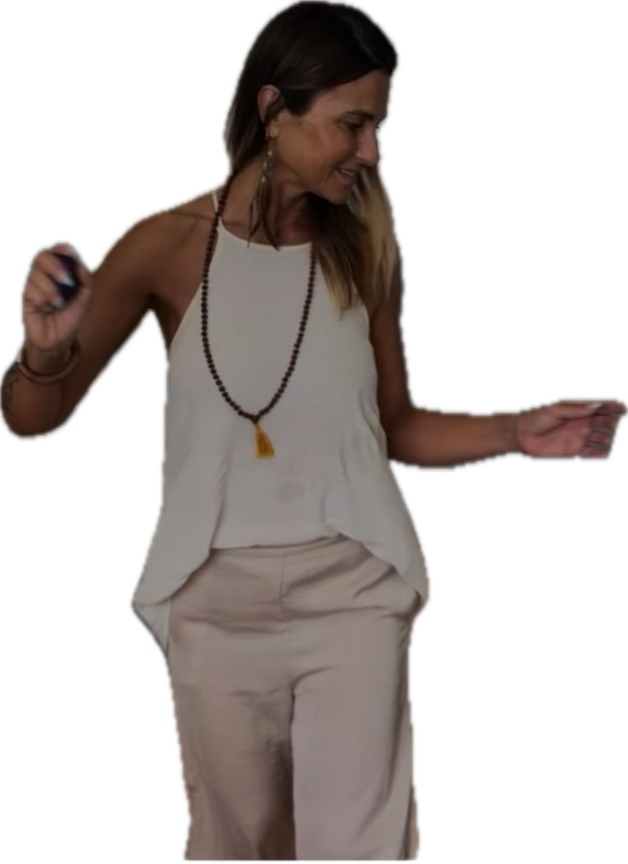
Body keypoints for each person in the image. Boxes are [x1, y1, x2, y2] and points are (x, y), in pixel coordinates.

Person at [1, 1, 625, 860]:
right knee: (237, 847)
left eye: (377, 127)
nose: (369, 152)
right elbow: (32, 418)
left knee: (360, 851)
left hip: (351, 594)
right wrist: (42, 352)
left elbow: (391, 426)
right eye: (352, 124)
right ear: (273, 109)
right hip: (216, 601)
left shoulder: (363, 245)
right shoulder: (164, 246)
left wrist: (518, 430)